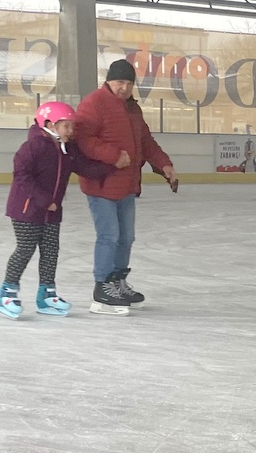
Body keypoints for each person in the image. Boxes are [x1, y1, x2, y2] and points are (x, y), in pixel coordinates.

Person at [74, 59, 179, 316]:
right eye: (119, 82)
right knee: (109, 236)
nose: (124, 87)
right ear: (109, 81)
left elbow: (146, 140)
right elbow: (83, 139)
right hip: (102, 183)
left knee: (126, 237)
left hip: (127, 184)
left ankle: (118, 281)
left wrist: (164, 164)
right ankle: (102, 286)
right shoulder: (93, 104)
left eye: (129, 83)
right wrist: (113, 155)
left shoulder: (133, 109)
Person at [0, 102, 114, 319]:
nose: (71, 131)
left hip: (51, 211)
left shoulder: (66, 149)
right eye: (66, 126)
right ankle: (7, 291)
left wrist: (113, 165)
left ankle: (47, 294)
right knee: (25, 249)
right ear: (50, 124)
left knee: (50, 252)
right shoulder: (33, 146)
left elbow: (85, 168)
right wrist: (43, 200)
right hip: (26, 210)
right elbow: (21, 174)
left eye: (72, 126)